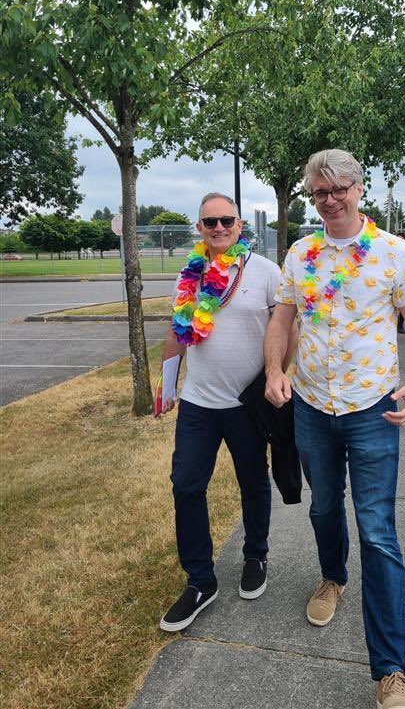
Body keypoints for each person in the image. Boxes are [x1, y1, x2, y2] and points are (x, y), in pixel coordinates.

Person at [264, 150, 405, 709]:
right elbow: (283, 318)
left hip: (372, 410)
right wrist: (273, 371)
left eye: (339, 188)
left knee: (379, 532)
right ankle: (332, 576)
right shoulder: (299, 252)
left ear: (359, 188)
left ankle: (392, 672)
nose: (330, 198)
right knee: (321, 509)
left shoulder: (392, 252)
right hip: (313, 406)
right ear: (311, 197)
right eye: (319, 192)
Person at [158, 192, 296, 633]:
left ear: (240, 226)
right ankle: (201, 580)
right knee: (185, 485)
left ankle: (255, 554)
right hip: (198, 402)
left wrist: (277, 375)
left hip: (246, 404)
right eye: (209, 222)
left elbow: (287, 327)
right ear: (199, 228)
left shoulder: (266, 272)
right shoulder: (190, 274)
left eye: (226, 221)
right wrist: (165, 386)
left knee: (253, 482)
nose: (218, 228)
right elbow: (178, 333)